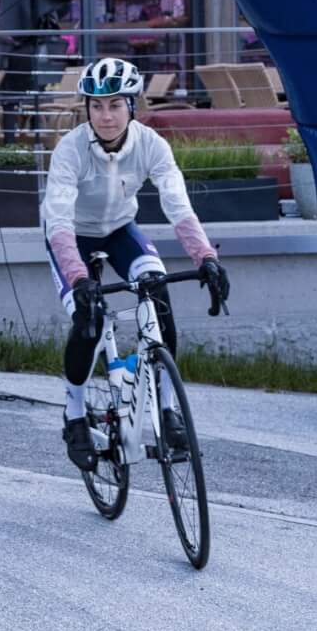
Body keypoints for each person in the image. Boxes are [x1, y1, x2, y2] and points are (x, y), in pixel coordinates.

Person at [42, 56, 230, 475]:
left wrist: (206, 257)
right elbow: (58, 221)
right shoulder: (70, 149)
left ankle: (167, 410)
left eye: (115, 105)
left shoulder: (151, 145)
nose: (105, 116)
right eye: (96, 106)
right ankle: (75, 415)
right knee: (89, 321)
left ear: (132, 105)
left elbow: (177, 205)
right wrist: (78, 277)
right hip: (71, 237)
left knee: (157, 295)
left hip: (119, 230)